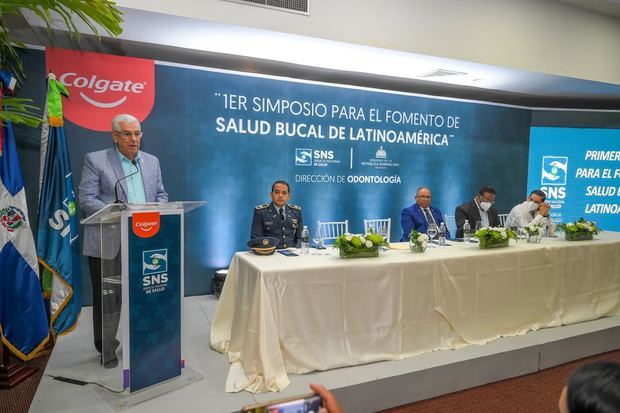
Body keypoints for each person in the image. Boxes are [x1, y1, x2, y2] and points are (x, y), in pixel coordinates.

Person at [78, 114, 168, 368]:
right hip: (109, 241)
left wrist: (156, 210)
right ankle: (106, 349)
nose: (134, 139)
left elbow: (161, 193)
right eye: (127, 134)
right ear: (115, 136)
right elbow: (86, 198)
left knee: (146, 293)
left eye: (137, 133)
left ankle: (145, 341)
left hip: (145, 239)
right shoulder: (96, 160)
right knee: (109, 298)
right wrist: (119, 212)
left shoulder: (151, 162)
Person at [251, 180, 302, 249]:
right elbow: (256, 239)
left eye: (284, 193)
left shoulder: (296, 212)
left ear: (288, 196)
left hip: (292, 254)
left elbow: (300, 237)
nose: (280, 195)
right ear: (271, 195)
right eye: (277, 192)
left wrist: (296, 250)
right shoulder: (261, 212)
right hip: (270, 254)